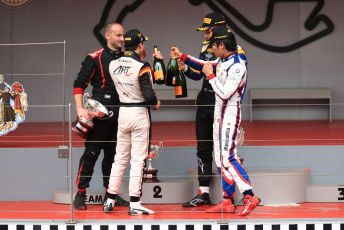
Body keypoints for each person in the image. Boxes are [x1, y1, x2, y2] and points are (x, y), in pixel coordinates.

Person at [171, 26, 260, 216]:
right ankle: (227, 200)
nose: (211, 49)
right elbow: (203, 63)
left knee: (229, 157)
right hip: (219, 114)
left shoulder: (237, 65)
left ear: (222, 44)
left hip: (229, 114)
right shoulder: (222, 60)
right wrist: (183, 57)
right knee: (219, 159)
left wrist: (210, 76)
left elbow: (225, 93)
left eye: (213, 45)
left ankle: (249, 195)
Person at [103, 29, 161, 215]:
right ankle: (135, 203)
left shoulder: (112, 64)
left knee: (119, 158)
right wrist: (156, 103)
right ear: (140, 45)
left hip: (123, 113)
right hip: (138, 113)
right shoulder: (142, 66)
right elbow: (150, 97)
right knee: (137, 160)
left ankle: (110, 199)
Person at [72, 21, 129, 210]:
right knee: (91, 154)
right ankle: (80, 194)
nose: (122, 39)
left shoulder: (128, 58)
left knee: (113, 157)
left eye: (123, 35)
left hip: (121, 115)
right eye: (118, 35)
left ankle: (110, 195)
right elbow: (79, 84)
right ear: (108, 36)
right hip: (100, 114)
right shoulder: (94, 57)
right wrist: (80, 109)